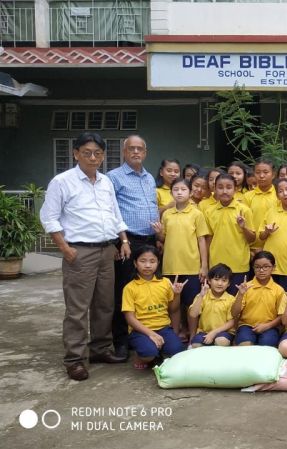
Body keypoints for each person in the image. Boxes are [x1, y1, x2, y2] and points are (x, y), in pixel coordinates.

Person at [40, 132, 130, 380]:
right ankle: (75, 359)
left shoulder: (105, 182)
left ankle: (100, 349)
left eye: (98, 153)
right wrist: (65, 249)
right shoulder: (62, 181)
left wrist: (122, 240)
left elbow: (115, 213)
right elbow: (49, 217)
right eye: (87, 152)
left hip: (107, 250)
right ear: (76, 153)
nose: (93, 157)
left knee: (105, 305)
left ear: (103, 156)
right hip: (79, 251)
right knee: (78, 309)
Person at [107, 134, 159, 360]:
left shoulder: (148, 177)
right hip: (128, 242)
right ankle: (120, 341)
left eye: (140, 149)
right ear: (124, 152)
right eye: (131, 149)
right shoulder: (114, 177)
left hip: (149, 241)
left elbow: (152, 207)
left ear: (145, 153)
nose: (136, 152)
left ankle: (143, 333)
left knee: (147, 291)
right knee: (124, 291)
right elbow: (109, 211)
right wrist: (117, 242)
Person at [152, 178, 209, 341]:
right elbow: (163, 238)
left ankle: (193, 335)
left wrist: (204, 266)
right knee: (174, 305)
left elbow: (201, 240)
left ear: (190, 192)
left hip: (191, 266)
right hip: (171, 266)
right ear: (171, 193)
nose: (179, 192)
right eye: (176, 189)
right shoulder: (167, 214)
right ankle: (175, 335)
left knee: (192, 305)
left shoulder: (197, 214)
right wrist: (159, 232)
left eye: (183, 189)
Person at [122, 245, 186, 369]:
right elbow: (130, 318)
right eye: (143, 261)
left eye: (152, 261)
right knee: (148, 354)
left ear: (158, 263)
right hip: (140, 331)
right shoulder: (130, 287)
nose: (147, 265)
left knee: (178, 352)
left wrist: (177, 294)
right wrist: (151, 334)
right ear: (135, 263)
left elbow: (173, 309)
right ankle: (145, 355)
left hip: (163, 328)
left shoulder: (165, 282)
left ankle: (158, 350)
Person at [204, 173, 256, 292]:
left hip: (239, 264)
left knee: (237, 302)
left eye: (229, 187)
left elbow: (252, 239)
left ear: (236, 189)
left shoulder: (244, 210)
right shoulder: (209, 211)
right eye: (220, 187)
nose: (224, 191)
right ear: (214, 188)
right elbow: (208, 239)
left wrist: (243, 227)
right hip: (216, 264)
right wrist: (205, 265)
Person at [231, 252, 285, 346]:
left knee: (266, 346)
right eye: (257, 267)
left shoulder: (279, 290)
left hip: (270, 326)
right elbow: (234, 313)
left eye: (266, 266)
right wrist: (240, 295)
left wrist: (267, 326)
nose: (261, 270)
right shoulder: (246, 287)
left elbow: (281, 316)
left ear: (273, 267)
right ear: (253, 268)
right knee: (245, 344)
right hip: (246, 326)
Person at [188, 263, 236, 348]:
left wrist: (214, 333)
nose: (220, 283)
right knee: (196, 345)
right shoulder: (202, 296)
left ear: (228, 284)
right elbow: (193, 314)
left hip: (223, 332)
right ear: (209, 281)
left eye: (224, 280)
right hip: (204, 332)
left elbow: (231, 322)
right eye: (216, 279)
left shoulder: (231, 299)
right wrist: (201, 296)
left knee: (221, 341)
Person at [244, 159, 278, 252]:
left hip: (274, 246)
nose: (261, 176)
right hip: (251, 248)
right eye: (258, 172)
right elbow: (244, 224)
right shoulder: (247, 196)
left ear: (273, 174)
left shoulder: (279, 195)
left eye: (266, 172)